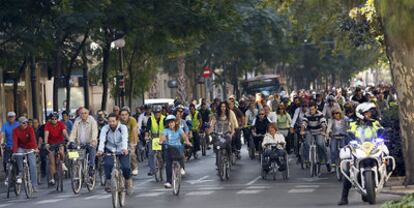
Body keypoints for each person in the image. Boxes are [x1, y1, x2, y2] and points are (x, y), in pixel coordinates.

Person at [337, 102, 384, 206]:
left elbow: (381, 129)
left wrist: (383, 132)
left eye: (370, 113)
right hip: (358, 147)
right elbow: (349, 133)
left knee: (385, 154)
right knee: (348, 170)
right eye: (367, 113)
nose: (370, 114)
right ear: (360, 113)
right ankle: (344, 198)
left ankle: (384, 175)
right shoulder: (353, 123)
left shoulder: (374, 122)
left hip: (372, 147)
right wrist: (349, 138)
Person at [97, 113, 133, 195]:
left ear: (117, 120)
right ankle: (109, 182)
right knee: (107, 165)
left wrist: (124, 148)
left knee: (125, 167)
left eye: (113, 121)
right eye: (109, 121)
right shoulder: (105, 128)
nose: (111, 123)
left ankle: (128, 181)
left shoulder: (122, 128)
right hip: (110, 149)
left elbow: (125, 138)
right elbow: (102, 140)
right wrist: (100, 150)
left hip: (122, 150)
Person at [160, 115, 192, 188]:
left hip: (177, 147)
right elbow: (163, 136)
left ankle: (181, 168)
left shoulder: (179, 129)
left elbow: (184, 136)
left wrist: (187, 142)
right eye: (169, 123)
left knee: (180, 155)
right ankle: (169, 182)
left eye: (172, 122)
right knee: (168, 165)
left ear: (175, 122)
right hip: (169, 148)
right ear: (167, 124)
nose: (171, 124)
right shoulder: (166, 130)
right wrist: (161, 141)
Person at [68, 108, 98, 179]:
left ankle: (91, 167)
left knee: (92, 150)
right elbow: (73, 132)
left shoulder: (92, 120)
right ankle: (74, 167)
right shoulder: (77, 120)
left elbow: (94, 131)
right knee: (72, 153)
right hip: (79, 143)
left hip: (90, 142)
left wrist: (93, 140)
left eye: (85, 113)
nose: (83, 115)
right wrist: (71, 141)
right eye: (81, 113)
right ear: (79, 114)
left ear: (88, 113)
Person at [12, 117, 38, 191]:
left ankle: (34, 185)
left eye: (26, 122)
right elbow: (15, 142)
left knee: (33, 165)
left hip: (29, 147)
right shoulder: (15, 130)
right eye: (23, 123)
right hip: (21, 147)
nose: (25, 124)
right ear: (19, 124)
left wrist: (34, 148)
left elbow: (33, 139)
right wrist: (14, 152)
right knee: (18, 155)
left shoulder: (30, 128)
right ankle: (20, 172)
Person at [300, 102, 329, 171]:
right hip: (310, 132)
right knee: (306, 143)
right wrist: (302, 130)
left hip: (319, 132)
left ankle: (325, 160)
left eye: (313, 109)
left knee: (320, 144)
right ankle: (306, 160)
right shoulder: (306, 114)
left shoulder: (320, 114)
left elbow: (323, 124)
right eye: (310, 109)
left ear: (316, 109)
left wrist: (323, 131)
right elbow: (304, 123)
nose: (311, 111)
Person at [44, 112, 69, 185]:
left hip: (60, 142)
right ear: (50, 119)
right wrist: (46, 143)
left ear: (57, 119)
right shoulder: (47, 125)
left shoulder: (61, 124)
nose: (54, 120)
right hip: (51, 143)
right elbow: (46, 134)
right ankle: (52, 177)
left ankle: (63, 163)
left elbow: (64, 132)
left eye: (56, 118)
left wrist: (69, 140)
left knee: (61, 151)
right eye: (52, 119)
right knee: (51, 161)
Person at [209, 101, 235, 168]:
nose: (223, 108)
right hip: (218, 134)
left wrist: (232, 133)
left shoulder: (228, 115)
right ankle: (218, 161)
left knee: (228, 145)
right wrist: (211, 132)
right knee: (216, 146)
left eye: (224, 107)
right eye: (221, 107)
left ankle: (230, 157)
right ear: (219, 107)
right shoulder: (216, 116)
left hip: (226, 134)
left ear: (226, 108)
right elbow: (212, 125)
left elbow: (232, 125)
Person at [145, 106, 165, 176]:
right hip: (152, 139)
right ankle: (152, 169)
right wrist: (146, 136)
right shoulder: (150, 119)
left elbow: (167, 128)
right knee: (150, 154)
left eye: (158, 112)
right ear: (153, 113)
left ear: (161, 112)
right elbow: (147, 129)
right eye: (156, 112)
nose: (157, 114)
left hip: (162, 138)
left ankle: (163, 163)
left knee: (164, 152)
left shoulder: (164, 118)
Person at [119, 108, 139, 176]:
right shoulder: (118, 121)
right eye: (122, 115)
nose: (124, 116)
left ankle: (134, 167)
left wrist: (135, 142)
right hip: (120, 141)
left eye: (126, 115)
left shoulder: (132, 120)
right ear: (120, 116)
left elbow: (134, 131)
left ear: (128, 115)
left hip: (130, 140)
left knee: (132, 154)